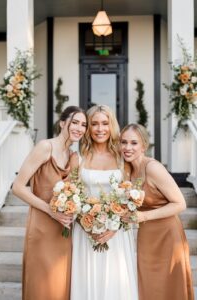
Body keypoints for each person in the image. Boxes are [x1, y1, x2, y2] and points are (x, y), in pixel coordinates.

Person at [12, 106, 87, 300]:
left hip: (63, 231)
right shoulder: (45, 147)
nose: (79, 127)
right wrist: (51, 211)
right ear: (62, 123)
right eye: (75, 122)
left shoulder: (74, 157)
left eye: (83, 124)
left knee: (59, 286)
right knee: (41, 286)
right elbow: (18, 187)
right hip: (42, 227)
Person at [70, 105, 138, 300]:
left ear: (112, 125)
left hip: (116, 232)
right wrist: (87, 224)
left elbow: (130, 194)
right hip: (85, 231)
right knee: (86, 279)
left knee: (116, 282)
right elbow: (74, 194)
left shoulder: (122, 156)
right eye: (94, 124)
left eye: (105, 123)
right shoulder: (78, 157)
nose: (100, 129)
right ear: (88, 128)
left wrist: (114, 226)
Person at [120, 123, 194, 300]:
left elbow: (180, 203)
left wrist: (144, 215)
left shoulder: (153, 168)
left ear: (144, 146)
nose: (127, 147)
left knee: (168, 284)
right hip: (147, 235)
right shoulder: (127, 169)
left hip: (167, 234)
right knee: (148, 284)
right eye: (123, 142)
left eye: (134, 143)